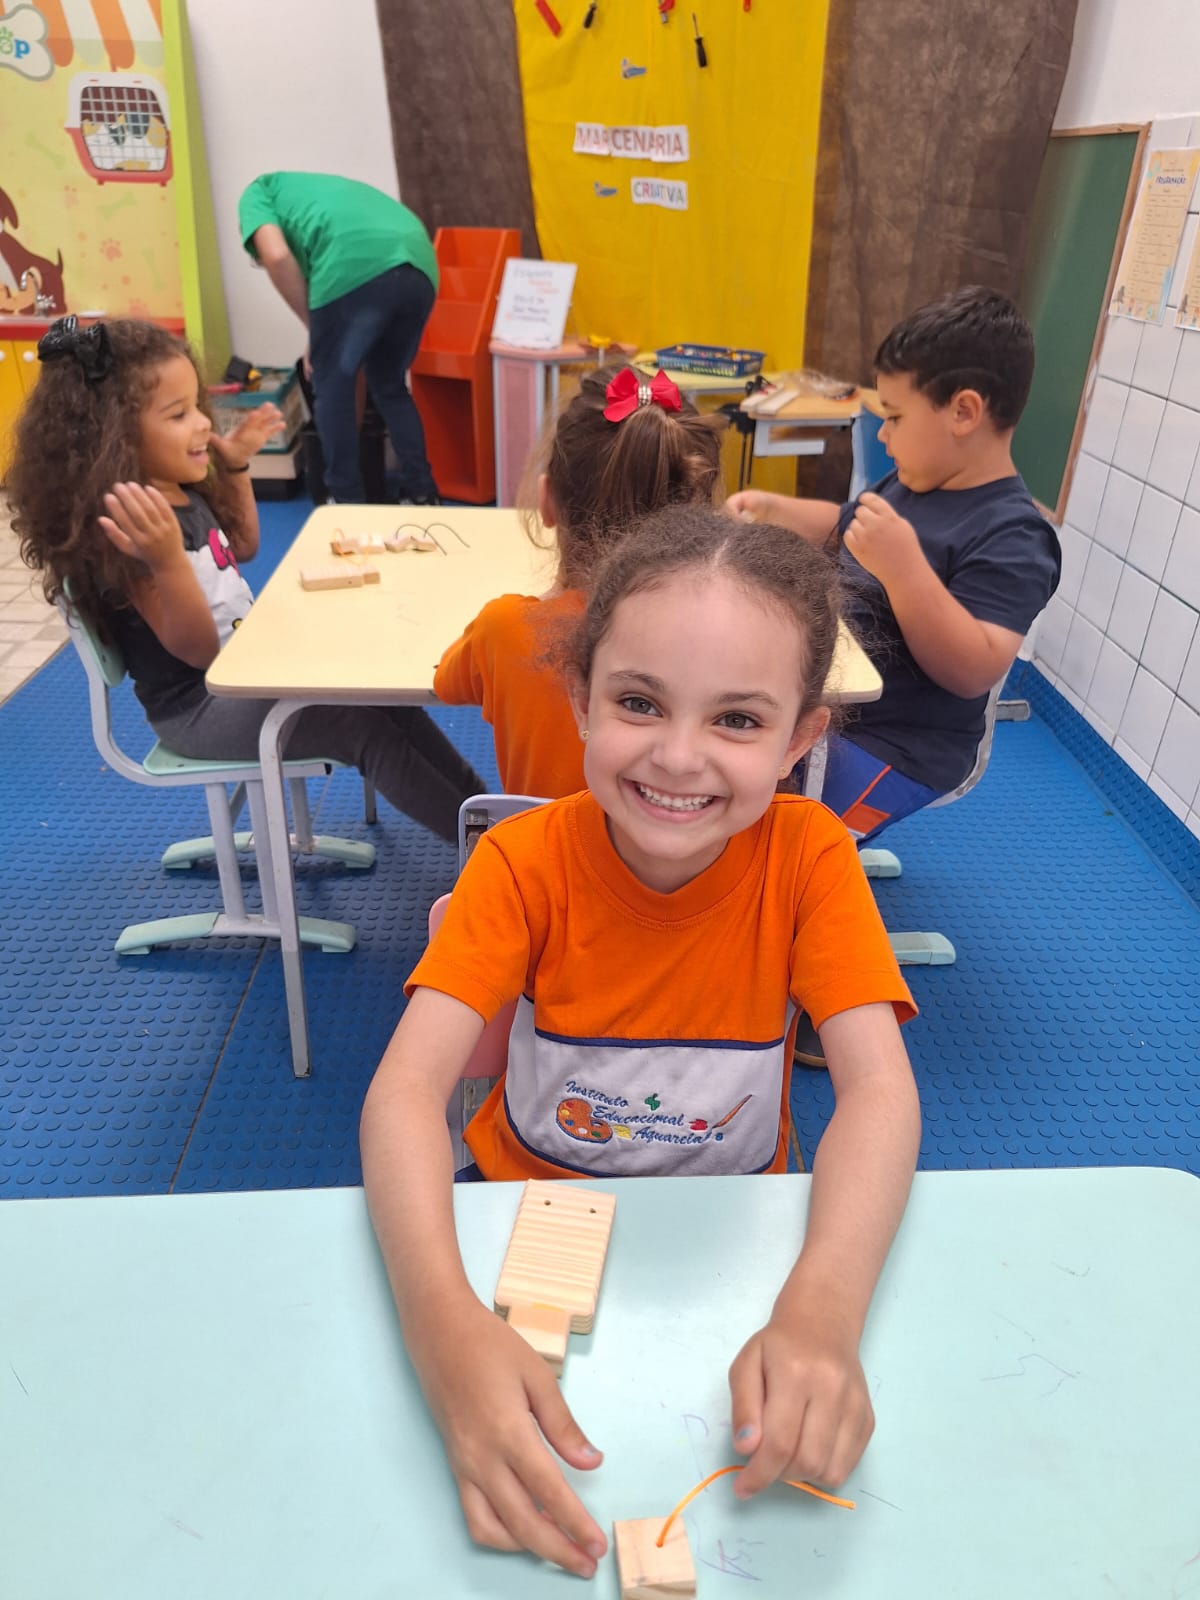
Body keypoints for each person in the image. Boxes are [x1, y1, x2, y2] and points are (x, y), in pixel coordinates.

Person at [360, 504, 922, 1579]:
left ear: (801, 738)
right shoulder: (521, 863)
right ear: (579, 698)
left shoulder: (811, 861)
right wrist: (439, 1323)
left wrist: (823, 1307)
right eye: (638, 702)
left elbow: (880, 1095)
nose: (678, 756)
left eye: (738, 720)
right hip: (519, 1213)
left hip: (734, 1234)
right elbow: (403, 1094)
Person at [8, 316, 482, 844]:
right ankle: (485, 847)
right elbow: (197, 651)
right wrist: (166, 561)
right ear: (116, 435)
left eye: (197, 406)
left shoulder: (177, 489)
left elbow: (242, 545)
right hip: (199, 706)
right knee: (357, 724)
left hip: (247, 669)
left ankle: (486, 813)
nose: (202, 424)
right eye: (178, 414)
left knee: (384, 696)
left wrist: (234, 467)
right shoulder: (129, 531)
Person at [728, 285, 1061, 844]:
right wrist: (775, 510)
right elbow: (846, 524)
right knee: (730, 763)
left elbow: (973, 668)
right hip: (833, 703)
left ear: (963, 412)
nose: (882, 434)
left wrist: (904, 570)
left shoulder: (1016, 536)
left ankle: (800, 872)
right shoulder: (913, 482)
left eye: (895, 417)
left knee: (777, 831)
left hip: (902, 746)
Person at [432, 364, 723, 797]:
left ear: (547, 501)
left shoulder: (505, 627)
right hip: (675, 840)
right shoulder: (729, 637)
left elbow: (446, 683)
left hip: (538, 843)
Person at [238, 171, 440, 506]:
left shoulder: (256, 193)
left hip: (353, 262)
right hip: (419, 262)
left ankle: (345, 501)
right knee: (389, 385)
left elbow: (276, 256)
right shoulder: (311, 193)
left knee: (330, 383)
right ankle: (422, 493)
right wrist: (320, 334)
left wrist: (314, 328)